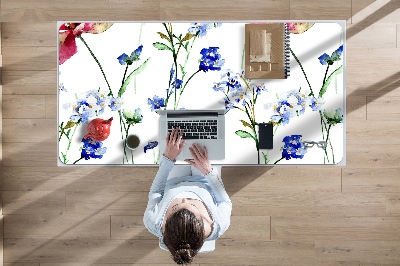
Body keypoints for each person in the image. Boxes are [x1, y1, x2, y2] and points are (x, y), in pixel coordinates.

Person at [144, 127, 232, 264]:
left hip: (173, 181)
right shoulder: (219, 224)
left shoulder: (153, 222)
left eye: (176, 206)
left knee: (174, 142)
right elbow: (224, 202)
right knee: (208, 138)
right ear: (204, 222)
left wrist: (168, 159)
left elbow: (156, 192)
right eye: (192, 205)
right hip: (205, 180)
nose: (184, 198)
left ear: (165, 224)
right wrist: (208, 171)